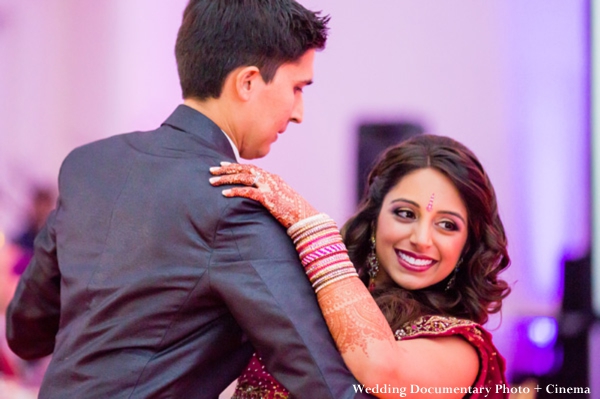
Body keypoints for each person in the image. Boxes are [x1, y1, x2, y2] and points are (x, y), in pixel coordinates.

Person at [6, 1, 370, 398]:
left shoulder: (88, 166)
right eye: (297, 88)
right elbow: (325, 382)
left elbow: (25, 332)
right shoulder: (235, 202)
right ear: (247, 82)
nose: (299, 113)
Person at [210, 134, 512, 398]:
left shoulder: (464, 349)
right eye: (405, 214)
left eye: (447, 225)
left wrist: (310, 227)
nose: (421, 239)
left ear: (467, 246)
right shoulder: (317, 299)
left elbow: (380, 368)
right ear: (374, 219)